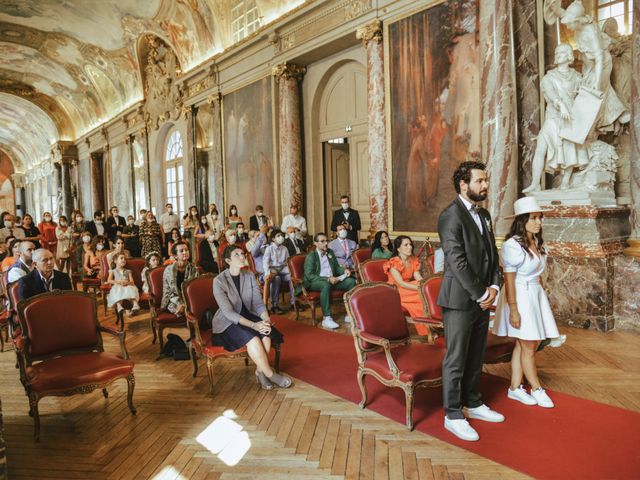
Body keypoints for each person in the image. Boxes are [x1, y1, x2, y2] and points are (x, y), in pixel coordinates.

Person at [437, 160, 503, 442]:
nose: (485, 185)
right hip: (459, 299)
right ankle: (452, 414)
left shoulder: (484, 214)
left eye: (486, 180)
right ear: (463, 184)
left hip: (483, 297)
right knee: (456, 358)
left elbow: (491, 254)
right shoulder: (450, 216)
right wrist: (481, 294)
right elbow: (457, 261)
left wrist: (495, 287)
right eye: (480, 181)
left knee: (476, 355)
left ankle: (473, 402)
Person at [492, 197, 562, 409]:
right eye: (534, 218)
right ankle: (537, 388)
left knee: (523, 344)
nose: (539, 222)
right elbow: (509, 278)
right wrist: (513, 309)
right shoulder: (512, 245)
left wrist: (540, 297)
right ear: (522, 220)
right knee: (529, 346)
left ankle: (514, 388)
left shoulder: (537, 242)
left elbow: (537, 274)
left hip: (533, 296)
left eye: (540, 217)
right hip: (519, 297)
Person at [212, 245, 291, 389]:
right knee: (253, 338)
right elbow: (228, 312)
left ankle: (260, 372)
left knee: (266, 335)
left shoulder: (249, 275)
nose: (242, 256)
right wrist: (255, 325)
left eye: (243, 253)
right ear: (228, 260)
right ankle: (271, 375)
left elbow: (258, 303)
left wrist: (265, 320)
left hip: (247, 315)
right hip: (228, 321)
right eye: (237, 255)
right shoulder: (219, 281)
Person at [303, 233, 356, 329]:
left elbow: (336, 267)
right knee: (325, 285)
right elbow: (309, 275)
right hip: (316, 281)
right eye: (322, 241)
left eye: (326, 241)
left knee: (351, 281)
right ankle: (327, 318)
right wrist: (327, 279)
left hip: (332, 279)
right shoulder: (311, 256)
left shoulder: (330, 252)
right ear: (316, 243)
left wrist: (344, 271)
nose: (326, 243)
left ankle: (350, 313)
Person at [383, 236, 428, 335]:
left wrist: (425, 286)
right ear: (398, 249)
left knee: (424, 292)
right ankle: (428, 329)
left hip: (407, 287)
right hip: (394, 290)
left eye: (410, 244)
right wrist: (420, 289)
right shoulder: (393, 262)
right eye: (406, 245)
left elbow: (418, 277)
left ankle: (432, 326)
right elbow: (401, 283)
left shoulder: (413, 259)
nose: (410, 247)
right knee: (422, 294)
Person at [161, 242, 199, 316]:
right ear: (175, 256)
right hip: (173, 299)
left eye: (186, 250)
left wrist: (185, 303)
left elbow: (195, 290)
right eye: (181, 251)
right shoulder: (169, 270)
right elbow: (168, 291)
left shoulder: (194, 269)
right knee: (175, 307)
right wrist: (179, 303)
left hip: (189, 298)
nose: (185, 252)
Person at [262, 229, 295, 314]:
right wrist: (267, 273)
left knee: (292, 278)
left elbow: (288, 261)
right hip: (273, 270)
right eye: (278, 236)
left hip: (283, 269)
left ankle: (293, 302)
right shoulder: (269, 249)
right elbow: (265, 262)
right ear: (273, 239)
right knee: (277, 279)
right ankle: (274, 305)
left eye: (282, 235)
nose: (281, 237)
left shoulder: (285, 248)